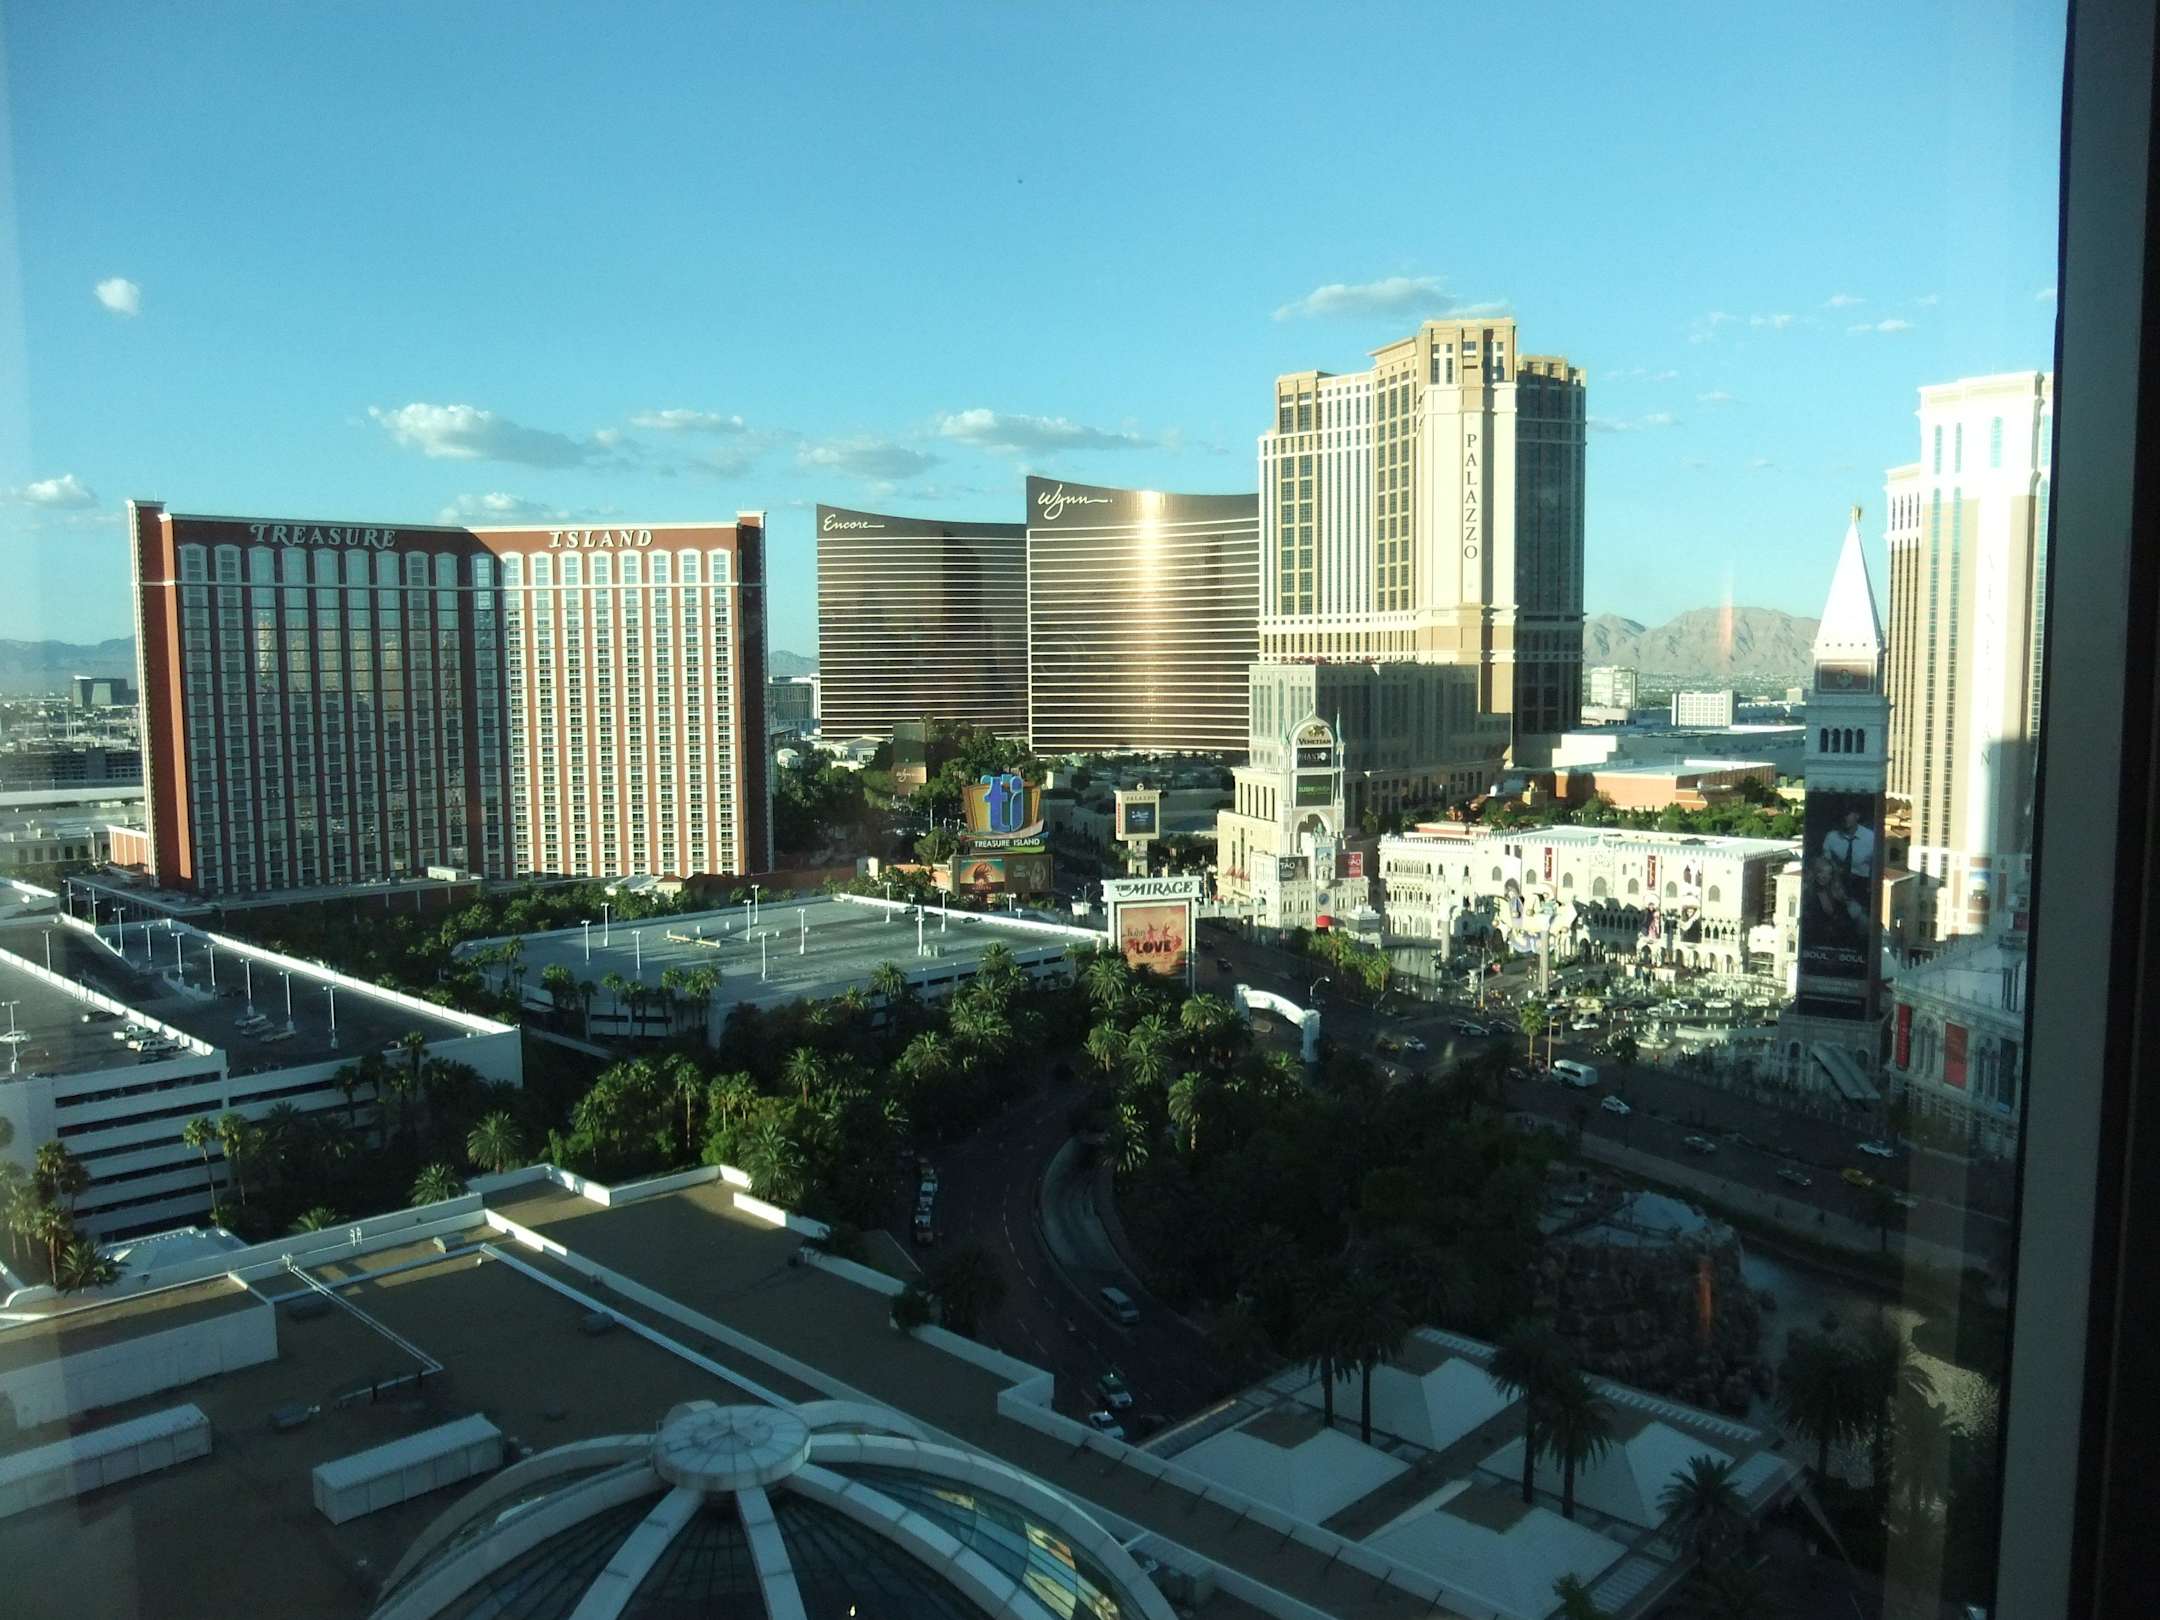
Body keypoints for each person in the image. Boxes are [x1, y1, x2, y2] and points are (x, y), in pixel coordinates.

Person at [1822, 807, 1876, 881]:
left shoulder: (1871, 837)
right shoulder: (1831, 837)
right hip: (1838, 879)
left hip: (1864, 881)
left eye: (1847, 814)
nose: (1844, 818)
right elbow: (1825, 861)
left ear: (1857, 816)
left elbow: (1877, 866)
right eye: (1842, 815)